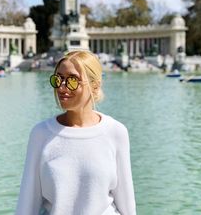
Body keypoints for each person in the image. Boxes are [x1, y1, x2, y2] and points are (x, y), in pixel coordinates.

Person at [15, 50, 136, 215]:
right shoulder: (41, 134)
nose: (62, 87)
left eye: (72, 80)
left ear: (95, 85)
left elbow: (127, 204)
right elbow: (26, 204)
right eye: (58, 79)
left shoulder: (116, 132)